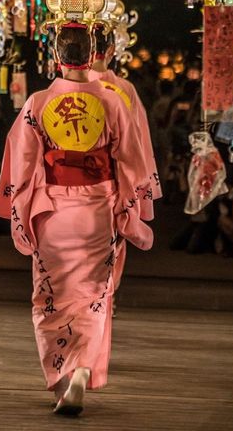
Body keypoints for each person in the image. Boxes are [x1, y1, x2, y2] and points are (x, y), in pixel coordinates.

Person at [0, 24, 154, 416]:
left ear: (56, 57)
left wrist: (22, 213)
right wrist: (130, 209)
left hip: (53, 214)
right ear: (93, 53)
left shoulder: (38, 103)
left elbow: (23, 164)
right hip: (98, 211)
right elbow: (133, 163)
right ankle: (82, 371)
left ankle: (62, 379)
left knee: (50, 297)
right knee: (94, 295)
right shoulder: (113, 101)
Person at [88, 26, 161, 290]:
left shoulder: (61, 89)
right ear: (110, 51)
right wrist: (141, 189)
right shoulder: (123, 89)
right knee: (111, 251)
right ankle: (105, 299)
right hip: (113, 184)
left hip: (65, 189)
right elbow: (137, 146)